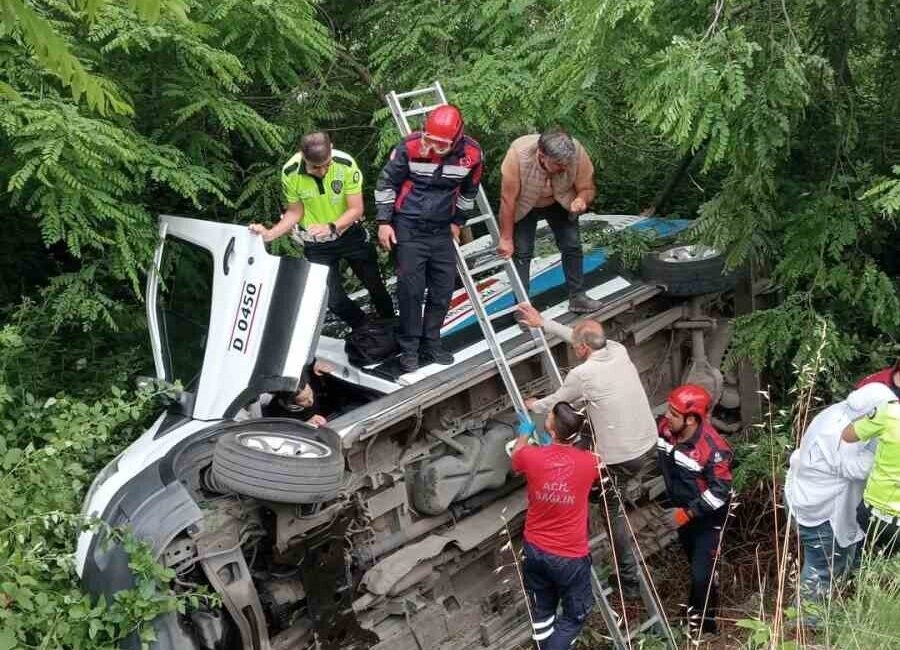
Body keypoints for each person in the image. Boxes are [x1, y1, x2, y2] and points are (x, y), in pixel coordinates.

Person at [517, 302, 658, 599]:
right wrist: (545, 323)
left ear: (581, 349)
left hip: (622, 456)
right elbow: (582, 337)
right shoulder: (617, 349)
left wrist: (533, 406)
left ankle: (629, 580)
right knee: (582, 431)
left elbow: (556, 401)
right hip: (646, 440)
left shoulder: (583, 375)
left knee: (611, 512)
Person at [374, 105, 483, 373]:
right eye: (429, 140)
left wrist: (458, 222)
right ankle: (409, 347)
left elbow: (469, 192)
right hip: (408, 226)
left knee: (443, 289)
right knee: (410, 290)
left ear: (456, 138)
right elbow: (386, 183)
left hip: (441, 229)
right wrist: (384, 222)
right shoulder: (409, 147)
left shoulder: (472, 155)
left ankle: (432, 342)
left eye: (440, 143)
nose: (433, 146)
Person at [249, 132, 394, 330]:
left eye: (327, 164)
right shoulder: (290, 172)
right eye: (316, 167)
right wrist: (269, 234)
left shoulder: (345, 163)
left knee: (375, 285)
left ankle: (390, 323)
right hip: (317, 246)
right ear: (302, 155)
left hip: (349, 235)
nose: (323, 171)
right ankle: (365, 329)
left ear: (331, 148)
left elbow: (356, 209)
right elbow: (294, 212)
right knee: (333, 300)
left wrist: (331, 227)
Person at [785, 383, 896, 606]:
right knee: (822, 570)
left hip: (805, 497)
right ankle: (805, 626)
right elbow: (856, 469)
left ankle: (827, 611)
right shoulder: (842, 431)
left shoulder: (835, 411)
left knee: (837, 562)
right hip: (823, 512)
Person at [511, 402, 598, 650]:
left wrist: (525, 434)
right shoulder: (589, 463)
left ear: (550, 431)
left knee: (542, 614)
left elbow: (516, 460)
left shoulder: (532, 457)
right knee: (574, 617)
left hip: (535, 550)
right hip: (570, 558)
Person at [497, 129, 602, 314]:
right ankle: (523, 310)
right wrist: (506, 238)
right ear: (542, 155)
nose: (564, 168)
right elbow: (508, 199)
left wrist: (581, 199)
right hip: (524, 204)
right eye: (559, 164)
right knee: (521, 253)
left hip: (560, 199)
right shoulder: (517, 155)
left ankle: (578, 297)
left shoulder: (576, 151)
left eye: (567, 164)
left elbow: (587, 188)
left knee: (572, 245)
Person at [657, 384, 732, 634]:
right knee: (697, 569)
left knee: (702, 576)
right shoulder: (666, 431)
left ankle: (705, 630)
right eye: (669, 410)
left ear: (691, 419)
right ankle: (696, 611)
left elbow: (721, 491)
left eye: (674, 414)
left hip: (707, 518)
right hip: (683, 515)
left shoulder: (712, 449)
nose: (667, 417)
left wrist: (687, 514)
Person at [841, 393, 900, 556]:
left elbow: (848, 435)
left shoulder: (890, 412)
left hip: (874, 514)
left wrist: (871, 419)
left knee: (861, 564)